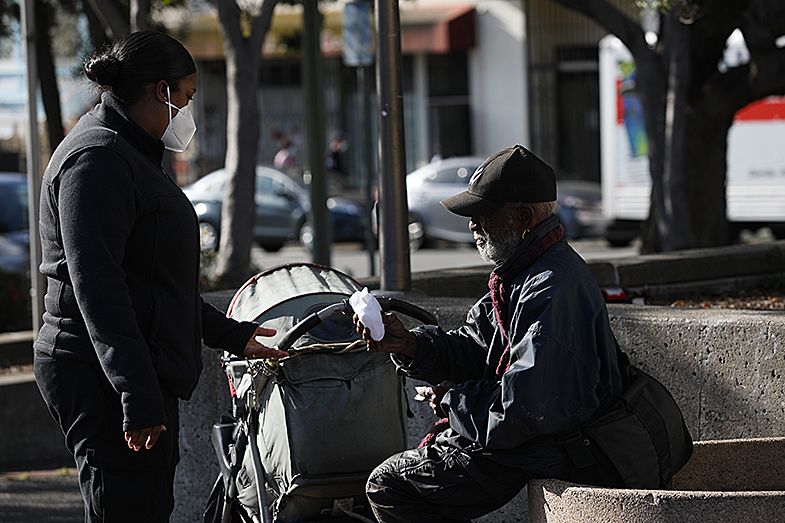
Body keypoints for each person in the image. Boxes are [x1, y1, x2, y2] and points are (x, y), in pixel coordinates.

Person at [33, 31, 288, 522]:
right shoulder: (98, 158)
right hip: (99, 373)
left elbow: (150, 283)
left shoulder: (130, 148)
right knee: (127, 506)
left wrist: (234, 335)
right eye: (187, 97)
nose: (188, 111)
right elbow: (99, 290)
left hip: (132, 367)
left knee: (146, 504)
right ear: (161, 91)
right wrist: (137, 395)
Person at [354, 145, 623, 522]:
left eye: (482, 214)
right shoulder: (524, 270)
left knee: (389, 484)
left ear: (524, 217)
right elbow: (476, 348)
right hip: (536, 435)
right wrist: (410, 344)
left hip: (557, 445)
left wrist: (453, 400)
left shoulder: (551, 285)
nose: (472, 225)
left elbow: (526, 407)